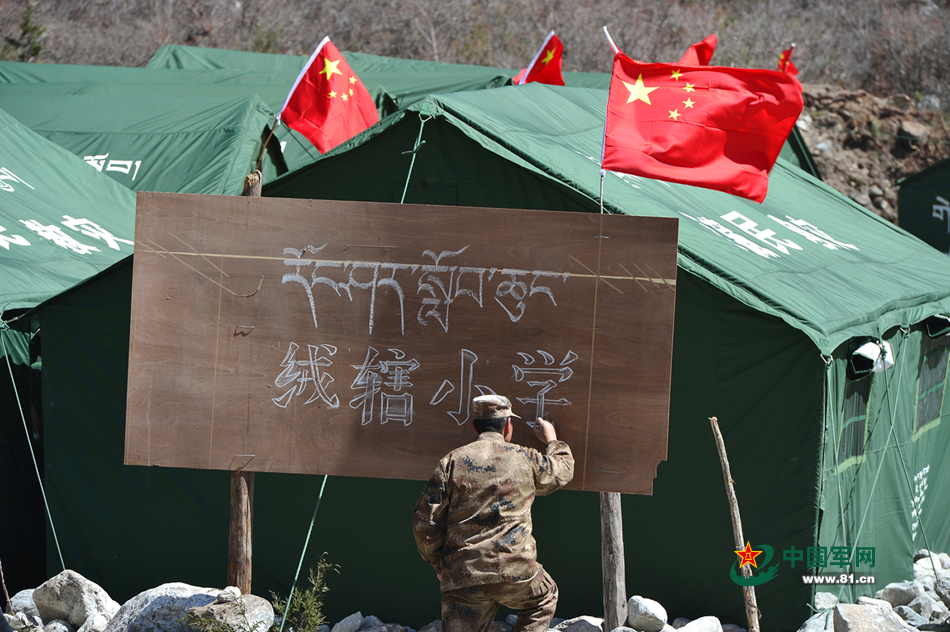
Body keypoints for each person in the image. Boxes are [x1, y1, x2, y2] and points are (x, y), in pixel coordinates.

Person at [412, 394, 575, 632]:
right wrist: (552, 440)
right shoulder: (526, 458)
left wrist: (440, 564)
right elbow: (563, 470)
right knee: (544, 596)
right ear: (508, 426)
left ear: (474, 426)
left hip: (464, 573)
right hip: (517, 571)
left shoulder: (452, 462)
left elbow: (424, 524)